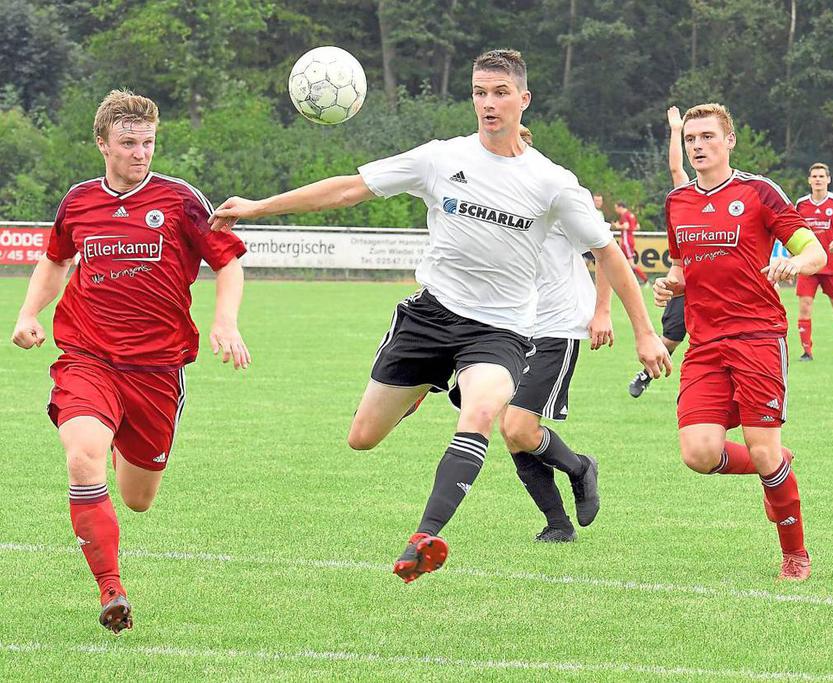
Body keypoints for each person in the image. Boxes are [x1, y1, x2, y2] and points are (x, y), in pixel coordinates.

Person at [210, 49, 671, 583]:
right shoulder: (440, 158)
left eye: (500, 93)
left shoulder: (552, 182)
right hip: (430, 317)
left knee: (479, 414)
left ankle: (423, 538)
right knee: (362, 438)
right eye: (479, 92)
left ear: (524, 100)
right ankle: (427, 385)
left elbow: (608, 253)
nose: (488, 103)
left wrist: (644, 332)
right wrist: (259, 206)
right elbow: (349, 188)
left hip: (501, 331)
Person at [11, 90, 250, 633]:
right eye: (127, 143)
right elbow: (55, 260)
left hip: (158, 371)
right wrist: (29, 313)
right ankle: (111, 590)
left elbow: (229, 263)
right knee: (81, 458)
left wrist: (225, 320)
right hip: (87, 359)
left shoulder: (181, 200)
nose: (140, 153)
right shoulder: (78, 201)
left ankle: (116, 436)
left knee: (138, 499)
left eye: (147, 143)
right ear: (102, 144)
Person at [654, 102, 826, 581]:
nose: (698, 146)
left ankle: (795, 553)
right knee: (699, 453)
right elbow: (683, 267)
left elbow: (812, 248)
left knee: (763, 448)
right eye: (691, 139)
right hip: (705, 344)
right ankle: (778, 466)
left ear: (729, 141)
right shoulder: (677, 202)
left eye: (708, 136)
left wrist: (795, 263)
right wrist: (671, 284)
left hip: (757, 337)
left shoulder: (757, 193)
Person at [500, 124, 613, 542]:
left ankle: (581, 468)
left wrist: (602, 311)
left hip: (557, 326)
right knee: (512, 433)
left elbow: (606, 252)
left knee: (520, 428)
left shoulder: (556, 195)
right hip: (511, 330)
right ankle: (558, 524)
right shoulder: (493, 201)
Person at [629, 106, 690, 398]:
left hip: (717, 286)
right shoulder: (686, 198)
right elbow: (677, 169)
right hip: (685, 283)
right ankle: (645, 375)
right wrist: (676, 131)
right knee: (671, 338)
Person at [793, 163, 833, 361]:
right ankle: (807, 352)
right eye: (814, 176)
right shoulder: (801, 204)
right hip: (809, 267)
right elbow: (794, 230)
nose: (818, 179)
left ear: (828, 179)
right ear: (809, 180)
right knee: (805, 307)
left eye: (821, 176)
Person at [613, 201, 649, 285]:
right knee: (621, 261)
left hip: (626, 242)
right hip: (630, 239)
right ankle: (623, 281)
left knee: (631, 263)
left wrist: (617, 226)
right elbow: (637, 226)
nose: (616, 210)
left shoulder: (624, 215)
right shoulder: (631, 215)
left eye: (616, 208)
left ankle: (645, 279)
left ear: (620, 207)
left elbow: (626, 226)